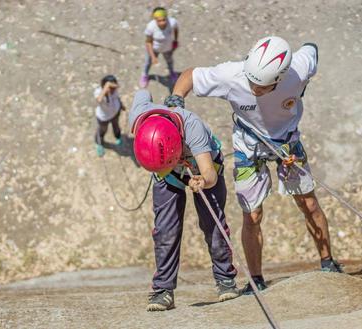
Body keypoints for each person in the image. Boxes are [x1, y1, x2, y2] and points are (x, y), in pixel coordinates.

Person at [165, 36, 343, 295]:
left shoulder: (299, 68)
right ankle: (256, 279)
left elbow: (311, 47)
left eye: (260, 85)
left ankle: (328, 263)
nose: (252, 87)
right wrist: (176, 99)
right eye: (251, 81)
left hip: (287, 143)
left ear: (280, 78)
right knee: (252, 214)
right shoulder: (232, 74)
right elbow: (190, 75)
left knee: (309, 204)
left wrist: (301, 87)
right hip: (249, 146)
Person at [128, 89, 238, 311]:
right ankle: (163, 291)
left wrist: (202, 181)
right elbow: (142, 93)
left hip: (202, 166)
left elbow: (210, 173)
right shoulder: (138, 118)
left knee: (212, 224)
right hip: (165, 170)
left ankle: (225, 280)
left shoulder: (192, 126)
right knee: (165, 230)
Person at [139, 7, 179, 88]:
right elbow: (148, 42)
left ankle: (171, 73)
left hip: (167, 48)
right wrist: (153, 56)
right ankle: (145, 75)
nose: (162, 23)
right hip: (154, 49)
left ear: (166, 17)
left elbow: (176, 29)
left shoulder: (172, 22)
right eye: (159, 21)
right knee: (148, 63)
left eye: (164, 19)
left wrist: (175, 40)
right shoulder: (150, 27)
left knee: (170, 62)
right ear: (155, 19)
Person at [94, 75, 125, 157]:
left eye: (113, 87)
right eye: (110, 87)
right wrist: (106, 88)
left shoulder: (114, 90)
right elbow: (99, 100)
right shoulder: (99, 92)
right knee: (102, 130)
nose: (113, 90)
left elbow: (117, 97)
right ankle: (99, 143)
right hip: (104, 117)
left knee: (116, 126)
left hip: (115, 113)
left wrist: (121, 105)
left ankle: (118, 136)